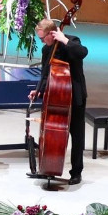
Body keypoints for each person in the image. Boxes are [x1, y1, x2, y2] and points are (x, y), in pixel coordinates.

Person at [28, 18, 88, 185]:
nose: (42, 42)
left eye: (42, 38)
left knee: (77, 136)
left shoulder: (72, 41)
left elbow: (83, 52)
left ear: (52, 33)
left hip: (75, 96)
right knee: (52, 134)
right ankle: (49, 167)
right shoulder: (47, 49)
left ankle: (76, 172)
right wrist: (39, 90)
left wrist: (65, 40)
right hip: (56, 97)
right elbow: (46, 74)